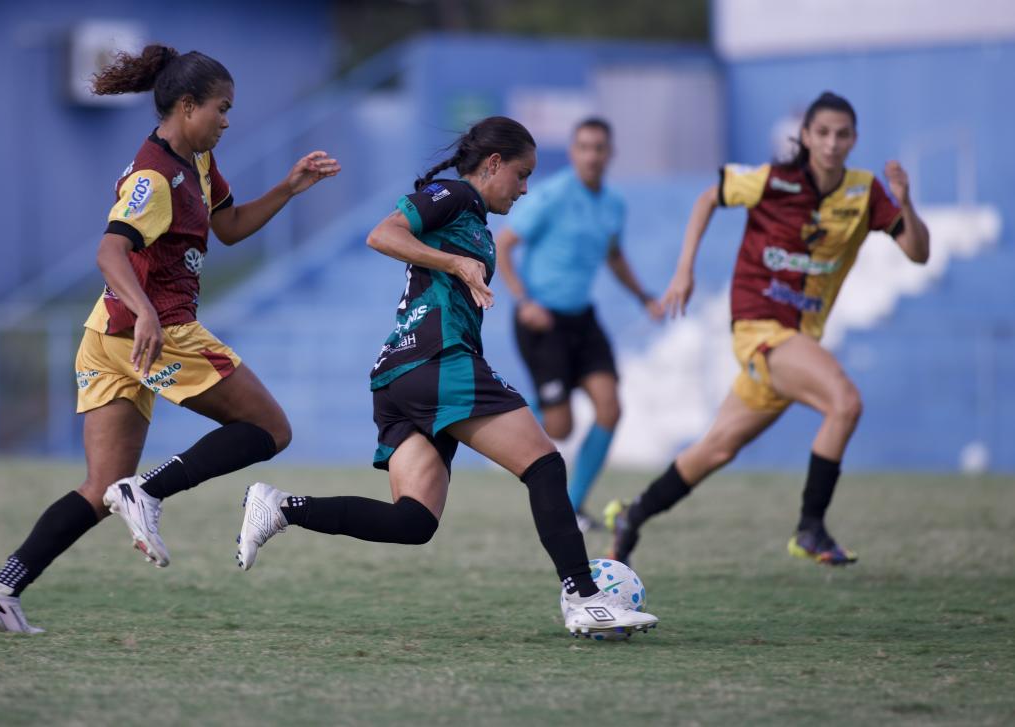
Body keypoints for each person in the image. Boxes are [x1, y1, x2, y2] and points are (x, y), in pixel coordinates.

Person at [233, 116, 657, 637]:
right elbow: (382, 233)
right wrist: (456, 264)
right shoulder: (455, 195)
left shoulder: (473, 218)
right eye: (522, 174)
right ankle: (584, 597)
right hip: (437, 360)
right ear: (494, 164)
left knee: (413, 521)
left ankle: (281, 508)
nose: (525, 189)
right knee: (544, 465)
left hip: (399, 376)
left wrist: (455, 263)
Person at [0, 45, 340, 633]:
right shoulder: (155, 176)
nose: (227, 120)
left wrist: (288, 188)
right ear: (187, 106)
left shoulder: (197, 161)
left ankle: (1, 590)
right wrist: (144, 311)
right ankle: (147, 491)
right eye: (221, 108)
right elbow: (109, 250)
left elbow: (230, 226)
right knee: (271, 429)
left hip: (109, 334)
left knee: (99, 488)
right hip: (156, 331)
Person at [606, 92, 930, 567]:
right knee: (845, 402)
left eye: (842, 135)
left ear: (854, 140)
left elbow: (918, 253)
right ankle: (810, 528)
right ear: (806, 136)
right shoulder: (773, 180)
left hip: (797, 343)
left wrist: (906, 203)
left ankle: (631, 516)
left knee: (717, 449)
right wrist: (684, 270)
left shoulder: (866, 193)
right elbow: (708, 197)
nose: (832, 143)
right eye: (823, 133)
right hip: (758, 328)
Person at [495, 118, 663, 531]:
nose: (592, 155)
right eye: (584, 147)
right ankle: (505, 420)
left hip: (582, 319)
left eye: (599, 147)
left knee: (610, 407)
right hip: (541, 320)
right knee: (561, 426)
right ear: (573, 152)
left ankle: (572, 506)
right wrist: (524, 301)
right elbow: (504, 244)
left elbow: (614, 256)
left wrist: (644, 297)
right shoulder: (551, 195)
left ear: (610, 153)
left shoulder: (613, 204)